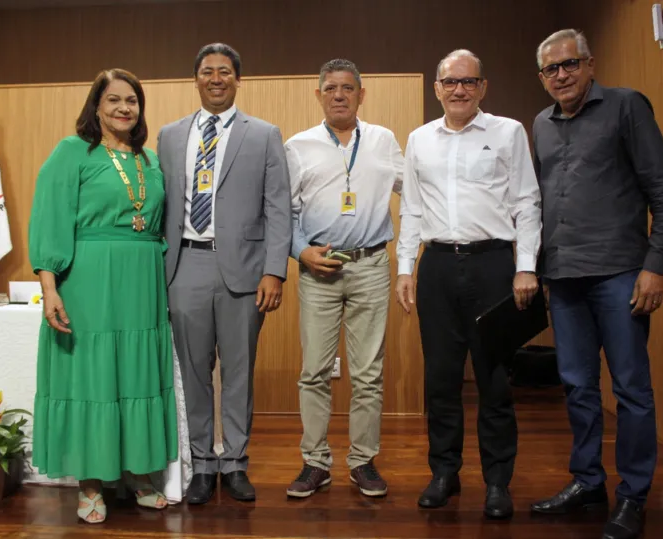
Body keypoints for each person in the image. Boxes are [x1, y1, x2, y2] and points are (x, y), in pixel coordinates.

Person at [530, 29, 663, 539]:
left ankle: (634, 496)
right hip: (565, 277)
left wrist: (655, 264)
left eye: (569, 64)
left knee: (631, 390)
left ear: (590, 64)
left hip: (622, 273)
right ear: (542, 77)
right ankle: (588, 481)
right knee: (576, 386)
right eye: (550, 69)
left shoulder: (626, 108)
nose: (561, 75)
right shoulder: (541, 124)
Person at [395, 49, 541, 517]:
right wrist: (404, 268)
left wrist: (526, 265)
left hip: (495, 266)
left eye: (469, 82)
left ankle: (498, 482)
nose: (460, 89)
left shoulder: (508, 132)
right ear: (437, 88)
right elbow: (413, 208)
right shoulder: (419, 139)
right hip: (436, 266)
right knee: (440, 379)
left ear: (482, 88)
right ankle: (444, 473)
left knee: (494, 380)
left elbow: (527, 201)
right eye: (451, 82)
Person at [29, 69, 177, 524]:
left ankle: (139, 474)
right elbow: (50, 219)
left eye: (131, 100)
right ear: (96, 106)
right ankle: (91, 483)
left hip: (141, 281)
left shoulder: (149, 160)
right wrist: (49, 286)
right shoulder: (72, 153)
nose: (124, 108)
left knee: (135, 377)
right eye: (113, 100)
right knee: (93, 379)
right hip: (88, 280)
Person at [157, 43, 291, 504]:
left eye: (226, 72)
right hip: (184, 265)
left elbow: (278, 207)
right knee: (194, 372)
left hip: (245, 270)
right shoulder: (169, 136)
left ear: (238, 79)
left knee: (238, 372)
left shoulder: (265, 134)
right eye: (208, 71)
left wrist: (274, 271)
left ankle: (234, 462)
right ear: (195, 78)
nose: (217, 78)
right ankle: (202, 464)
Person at [284, 59, 403, 498]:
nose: (339, 94)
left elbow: (415, 190)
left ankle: (363, 461)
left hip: (371, 265)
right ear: (319, 94)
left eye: (347, 88)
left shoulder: (384, 140)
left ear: (360, 94)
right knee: (314, 371)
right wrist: (301, 252)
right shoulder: (297, 146)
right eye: (330, 88)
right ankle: (315, 462)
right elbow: (287, 213)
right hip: (319, 269)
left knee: (368, 374)